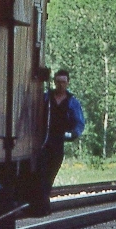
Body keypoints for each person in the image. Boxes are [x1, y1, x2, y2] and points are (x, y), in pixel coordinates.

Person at [36, 68, 86, 215]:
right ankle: (42, 206)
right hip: (43, 141)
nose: (60, 85)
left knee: (51, 174)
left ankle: (43, 205)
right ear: (54, 82)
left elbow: (79, 122)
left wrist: (73, 134)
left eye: (63, 82)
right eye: (58, 82)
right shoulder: (46, 98)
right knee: (41, 174)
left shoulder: (72, 102)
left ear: (68, 83)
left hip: (58, 142)